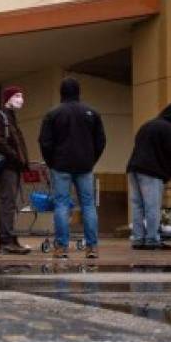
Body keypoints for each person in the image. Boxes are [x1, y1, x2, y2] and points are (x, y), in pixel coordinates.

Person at [38, 77, 106, 259]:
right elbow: (101, 141)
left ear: (61, 92)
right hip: (85, 166)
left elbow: (44, 142)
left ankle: (61, 247)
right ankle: (92, 247)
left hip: (61, 165)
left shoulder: (53, 114)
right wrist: (91, 160)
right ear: (78, 92)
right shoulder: (92, 113)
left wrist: (52, 162)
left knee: (61, 205)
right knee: (88, 205)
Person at [125, 102, 171, 250]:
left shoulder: (147, 125)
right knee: (152, 206)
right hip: (151, 171)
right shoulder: (169, 129)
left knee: (137, 206)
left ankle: (138, 239)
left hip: (133, 168)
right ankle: (152, 240)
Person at [0, 86, 31, 255]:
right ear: (8, 99)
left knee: (11, 204)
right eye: (17, 96)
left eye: (21, 95)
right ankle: (5, 241)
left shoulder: (10, 117)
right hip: (7, 167)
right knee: (8, 203)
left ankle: (9, 239)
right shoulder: (0, 117)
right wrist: (14, 156)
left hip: (13, 166)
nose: (21, 99)